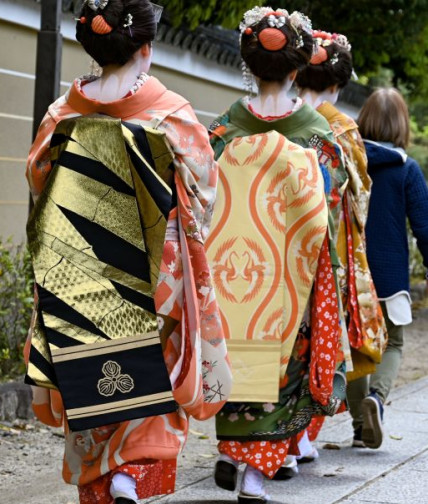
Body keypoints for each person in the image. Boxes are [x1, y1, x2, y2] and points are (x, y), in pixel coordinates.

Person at [24, 1, 231, 503]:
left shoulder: (61, 114)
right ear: (147, 47)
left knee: (87, 370)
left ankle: (103, 475)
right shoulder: (171, 114)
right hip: (153, 269)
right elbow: (204, 190)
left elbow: (37, 183)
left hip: (77, 269)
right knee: (153, 374)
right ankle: (130, 475)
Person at [207, 7, 347, 502]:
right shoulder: (317, 135)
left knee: (236, 354)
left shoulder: (225, 128)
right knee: (284, 366)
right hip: (292, 276)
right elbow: (331, 201)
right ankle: (254, 472)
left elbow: (203, 194)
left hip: (232, 274)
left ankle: (230, 453)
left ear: (249, 64)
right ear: (297, 69)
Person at [296, 30, 387, 448]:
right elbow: (359, 195)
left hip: (277, 239)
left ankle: (270, 435)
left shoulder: (278, 113)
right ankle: (301, 437)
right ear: (338, 83)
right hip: (329, 245)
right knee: (321, 334)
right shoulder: (342, 128)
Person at [347, 87, 428, 449]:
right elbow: (424, 225)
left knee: (353, 347)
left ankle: (357, 425)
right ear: (402, 125)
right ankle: (376, 400)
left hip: (350, 272)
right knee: (393, 342)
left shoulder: (347, 161)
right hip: (391, 275)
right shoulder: (406, 169)